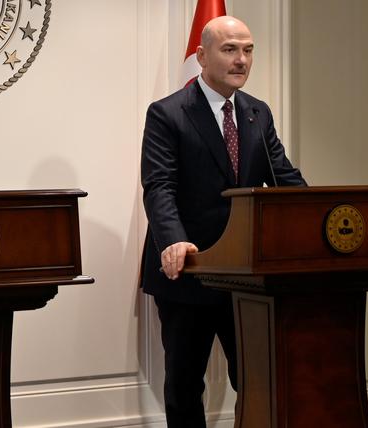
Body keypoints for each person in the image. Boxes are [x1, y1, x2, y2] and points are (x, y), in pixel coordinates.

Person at [140, 16, 305, 428]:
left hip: (245, 275)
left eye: (248, 50)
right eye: (230, 49)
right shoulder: (168, 113)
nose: (241, 60)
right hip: (189, 269)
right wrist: (173, 242)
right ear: (201, 56)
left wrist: (316, 216)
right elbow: (159, 186)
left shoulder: (257, 113)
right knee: (183, 385)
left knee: (255, 381)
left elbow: (284, 177)